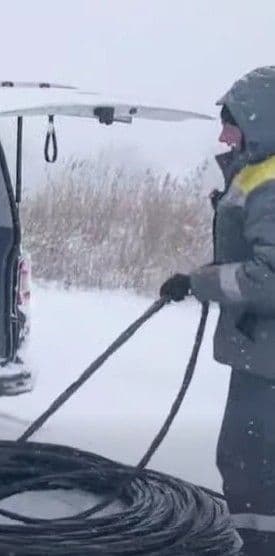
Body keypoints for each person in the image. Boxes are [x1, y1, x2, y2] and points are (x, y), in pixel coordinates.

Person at [161, 66, 275, 555]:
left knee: (250, 462)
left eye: (233, 121)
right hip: (260, 351)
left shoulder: (268, 182)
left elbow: (270, 275)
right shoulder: (256, 173)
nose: (225, 133)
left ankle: (254, 546)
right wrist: (196, 281)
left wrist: (202, 282)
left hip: (267, 358)